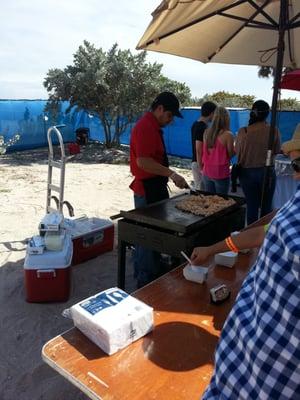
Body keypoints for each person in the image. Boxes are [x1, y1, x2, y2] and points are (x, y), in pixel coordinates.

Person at [192, 127, 300, 400]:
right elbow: (263, 233)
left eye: (299, 165)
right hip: (234, 381)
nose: (295, 174)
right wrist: (213, 250)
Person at [129, 91, 188, 288]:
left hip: (155, 186)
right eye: (169, 115)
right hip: (147, 189)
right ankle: (144, 279)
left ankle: (153, 267)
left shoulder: (154, 127)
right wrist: (171, 174)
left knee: (155, 234)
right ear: (160, 108)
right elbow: (143, 161)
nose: (170, 121)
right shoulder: (145, 127)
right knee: (146, 236)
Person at [235, 100, 281, 225]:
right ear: (267, 114)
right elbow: (276, 151)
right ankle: (264, 237)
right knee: (266, 208)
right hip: (267, 172)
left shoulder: (243, 131)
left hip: (246, 172)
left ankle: (250, 235)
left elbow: (237, 153)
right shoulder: (273, 130)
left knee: (252, 207)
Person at [202, 106, 235, 194]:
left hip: (207, 171)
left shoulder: (206, 132)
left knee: (209, 202)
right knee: (221, 203)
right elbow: (230, 154)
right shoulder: (228, 135)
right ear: (226, 119)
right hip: (221, 173)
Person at [191, 101, 216, 190]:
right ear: (212, 113)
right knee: (202, 192)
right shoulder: (201, 127)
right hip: (199, 163)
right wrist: (201, 168)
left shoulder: (195, 124)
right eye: (215, 114)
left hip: (196, 162)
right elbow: (199, 149)